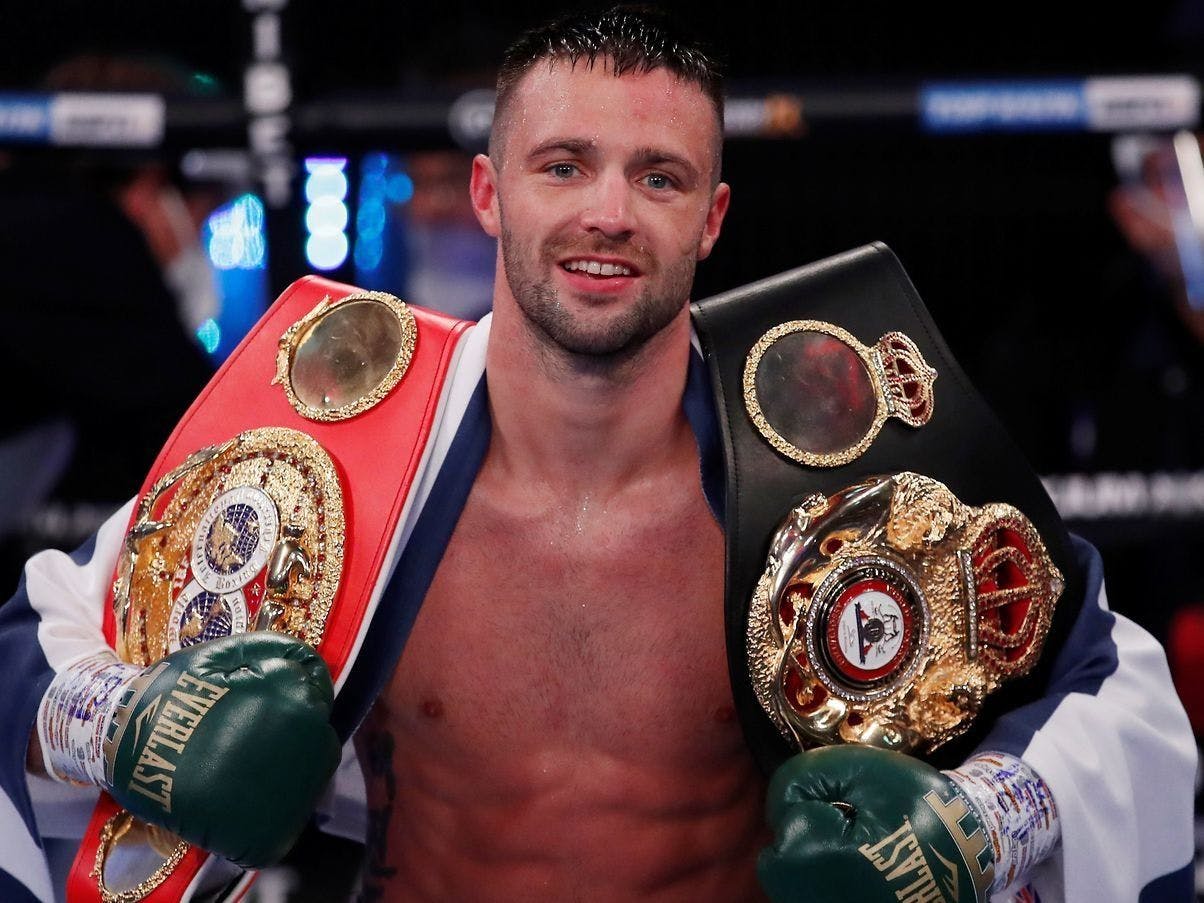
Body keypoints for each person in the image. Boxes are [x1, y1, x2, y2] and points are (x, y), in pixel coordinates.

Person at [0, 8, 1195, 903]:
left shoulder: (836, 475)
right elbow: (32, 642)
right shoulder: (340, 459)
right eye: (563, 165)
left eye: (657, 176)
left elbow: (1111, 686)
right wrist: (131, 721)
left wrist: (974, 826)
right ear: (490, 192)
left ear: (712, 218)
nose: (608, 214)